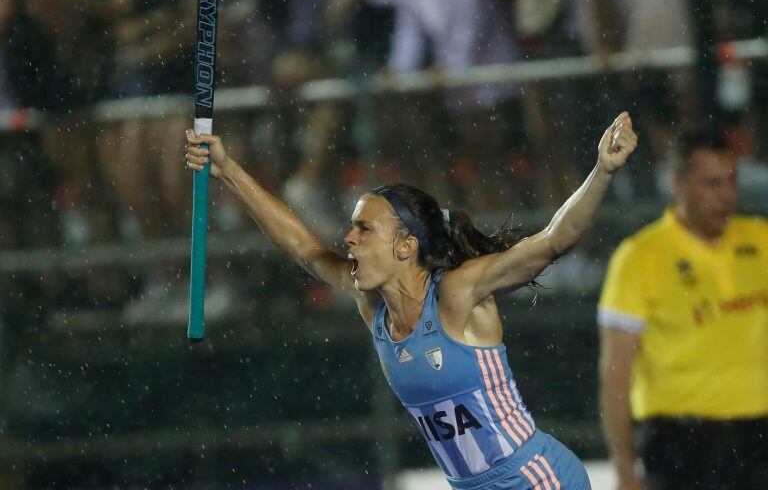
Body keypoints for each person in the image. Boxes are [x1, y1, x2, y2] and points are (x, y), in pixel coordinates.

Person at [184, 112, 638, 489]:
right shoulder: (372, 306)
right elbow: (303, 250)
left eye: (364, 229)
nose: (348, 239)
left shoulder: (458, 294)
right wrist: (227, 171)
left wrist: (604, 170)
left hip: (534, 479)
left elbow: (552, 241)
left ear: (405, 247)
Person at [597, 132, 768, 490]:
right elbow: (616, 372)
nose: (728, 195)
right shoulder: (640, 257)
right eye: (712, 183)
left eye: (732, 180)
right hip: (683, 445)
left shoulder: (761, 238)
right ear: (678, 184)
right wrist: (625, 470)